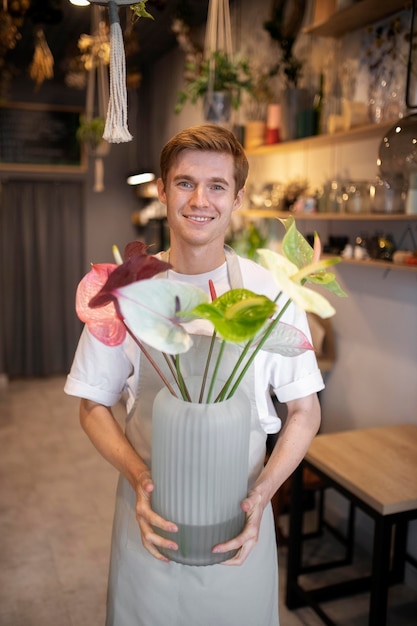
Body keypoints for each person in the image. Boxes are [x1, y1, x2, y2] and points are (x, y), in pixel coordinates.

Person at [64, 123, 323, 626]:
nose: (199, 199)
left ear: (238, 198)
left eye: (217, 186)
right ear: (162, 190)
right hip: (151, 524)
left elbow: (305, 410)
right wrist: (139, 479)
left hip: (239, 526)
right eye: (184, 183)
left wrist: (263, 495)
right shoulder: (129, 290)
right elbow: (93, 403)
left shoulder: (269, 294)